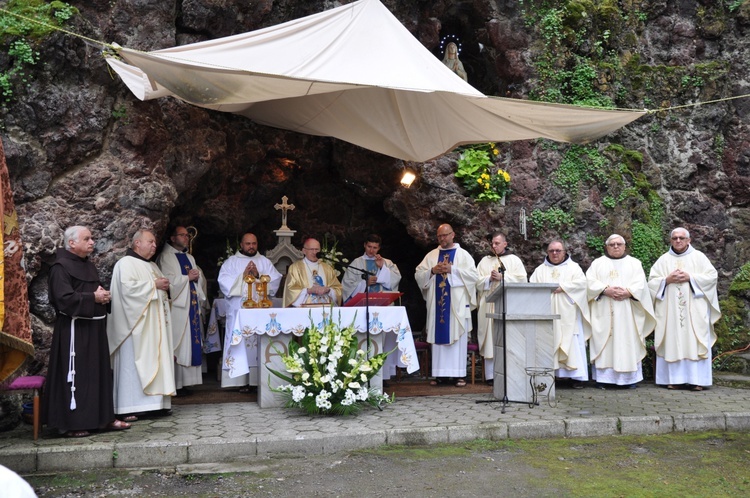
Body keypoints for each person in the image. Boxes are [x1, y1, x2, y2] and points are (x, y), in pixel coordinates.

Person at [42, 226, 130, 437]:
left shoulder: (88, 266)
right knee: (78, 376)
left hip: (95, 328)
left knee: (98, 373)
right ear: (71, 243)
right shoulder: (60, 267)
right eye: (87, 239)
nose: (92, 242)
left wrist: (103, 296)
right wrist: (93, 298)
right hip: (74, 330)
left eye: (92, 238)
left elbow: (93, 292)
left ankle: (102, 419)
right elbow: (62, 300)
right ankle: (73, 423)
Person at [107, 230, 175, 420]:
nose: (155, 245)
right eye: (150, 242)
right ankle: (129, 407)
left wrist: (163, 286)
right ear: (137, 243)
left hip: (155, 326)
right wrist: (154, 285)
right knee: (132, 364)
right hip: (135, 326)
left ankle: (157, 404)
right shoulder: (125, 264)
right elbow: (127, 290)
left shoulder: (152, 265)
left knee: (157, 361)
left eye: (155, 242)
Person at [648, 227, 720, 391]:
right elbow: (651, 283)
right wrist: (666, 280)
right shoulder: (663, 260)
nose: (678, 241)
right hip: (670, 312)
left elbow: (712, 277)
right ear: (671, 240)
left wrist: (691, 278)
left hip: (695, 311)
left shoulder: (699, 258)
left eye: (681, 238)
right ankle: (674, 379)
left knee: (694, 340)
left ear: (689, 240)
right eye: (674, 238)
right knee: (673, 340)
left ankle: (698, 380)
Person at [587, 234, 656, 389]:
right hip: (603, 310)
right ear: (607, 247)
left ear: (625, 246)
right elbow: (589, 283)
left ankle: (629, 379)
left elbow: (641, 285)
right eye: (612, 244)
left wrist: (629, 292)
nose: (616, 246)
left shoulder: (634, 263)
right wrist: (605, 290)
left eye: (619, 244)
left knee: (627, 342)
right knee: (605, 344)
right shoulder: (597, 263)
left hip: (627, 312)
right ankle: (605, 379)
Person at [415, 224, 478, 387]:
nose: (442, 239)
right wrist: (432, 271)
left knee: (457, 339)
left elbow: (473, 276)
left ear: (453, 235)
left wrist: (453, 270)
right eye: (439, 236)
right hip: (438, 307)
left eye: (445, 235)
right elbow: (418, 274)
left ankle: (459, 375)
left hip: (456, 306)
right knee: (438, 340)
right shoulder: (432, 255)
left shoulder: (463, 255)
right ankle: (439, 374)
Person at [217, 232, 282, 389]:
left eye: (254, 243)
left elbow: (275, 280)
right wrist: (243, 276)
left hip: (259, 313)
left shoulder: (264, 262)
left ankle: (256, 380)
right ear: (241, 245)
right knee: (240, 344)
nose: (251, 246)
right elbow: (224, 283)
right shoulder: (231, 262)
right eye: (248, 244)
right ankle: (238, 381)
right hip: (239, 312)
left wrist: (259, 275)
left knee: (257, 344)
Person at [529, 240, 591, 387]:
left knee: (572, 343)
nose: (555, 254)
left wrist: (563, 287)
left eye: (558, 251)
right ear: (547, 253)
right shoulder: (540, 270)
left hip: (568, 313)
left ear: (564, 252)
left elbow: (582, 284)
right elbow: (532, 287)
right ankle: (552, 375)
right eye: (551, 251)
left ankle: (576, 377)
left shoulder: (573, 268)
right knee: (548, 341)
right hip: (547, 313)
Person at [156, 226, 209, 396]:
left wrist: (196, 277)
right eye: (182, 235)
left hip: (190, 306)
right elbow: (166, 281)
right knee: (178, 344)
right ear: (172, 238)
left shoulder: (189, 257)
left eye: (187, 235)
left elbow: (197, 281)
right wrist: (188, 278)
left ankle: (186, 383)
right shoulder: (165, 257)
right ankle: (175, 383)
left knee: (189, 343)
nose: (186, 238)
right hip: (177, 308)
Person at [342, 233, 402, 379]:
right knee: (364, 340)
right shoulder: (356, 263)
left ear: (379, 248)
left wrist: (383, 270)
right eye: (369, 246)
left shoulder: (386, 262)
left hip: (383, 308)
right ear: (364, 245)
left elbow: (396, 279)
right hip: (363, 308)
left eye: (375, 247)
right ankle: (362, 374)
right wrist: (364, 284)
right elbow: (346, 285)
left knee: (384, 340)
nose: (371, 250)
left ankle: (384, 375)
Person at [476, 231, 527, 385]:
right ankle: (491, 376)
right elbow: (476, 282)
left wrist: (503, 278)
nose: (494, 246)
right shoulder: (484, 261)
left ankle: (510, 375)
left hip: (507, 305)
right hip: (488, 306)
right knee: (490, 339)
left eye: (497, 243)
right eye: (492, 243)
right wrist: (488, 279)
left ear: (505, 244)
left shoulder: (514, 260)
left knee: (508, 339)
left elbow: (522, 281)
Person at [283, 237, 343, 307]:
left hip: (326, 308)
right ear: (304, 251)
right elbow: (290, 291)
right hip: (305, 309)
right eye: (311, 249)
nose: (314, 252)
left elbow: (338, 289)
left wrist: (328, 290)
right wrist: (309, 290)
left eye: (317, 249)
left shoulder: (327, 268)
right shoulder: (295, 268)